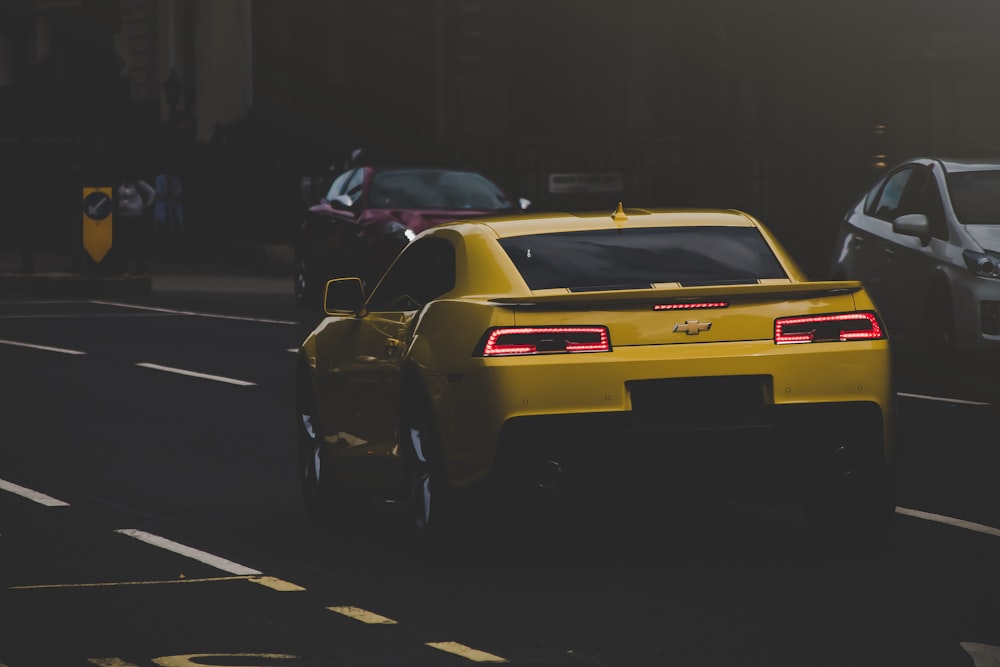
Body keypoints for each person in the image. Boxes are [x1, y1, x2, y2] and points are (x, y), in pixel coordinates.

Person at [116, 176, 155, 274]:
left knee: (138, 244)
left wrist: (147, 205)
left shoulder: (138, 183)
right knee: (123, 244)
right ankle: (122, 269)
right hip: (123, 217)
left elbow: (152, 192)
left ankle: (140, 270)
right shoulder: (121, 183)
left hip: (135, 217)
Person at [154, 164, 184, 247]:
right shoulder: (159, 179)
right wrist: (166, 196)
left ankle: (178, 235)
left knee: (178, 218)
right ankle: (160, 237)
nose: (169, 171)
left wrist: (173, 196)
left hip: (174, 201)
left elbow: (180, 190)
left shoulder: (176, 179)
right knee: (162, 217)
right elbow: (158, 191)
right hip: (162, 202)